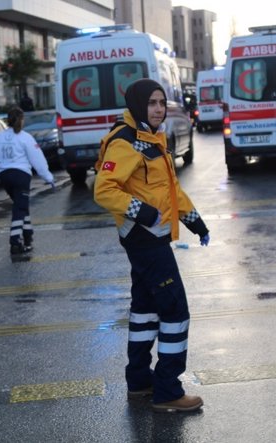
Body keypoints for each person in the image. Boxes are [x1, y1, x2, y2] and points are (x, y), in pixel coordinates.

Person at [94, 79, 210, 413]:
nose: (158, 109)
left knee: (145, 311)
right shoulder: (126, 142)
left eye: (161, 102)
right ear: (137, 105)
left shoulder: (150, 138)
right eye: (152, 103)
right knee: (175, 311)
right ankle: (168, 390)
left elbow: (170, 189)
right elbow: (104, 190)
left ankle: (140, 383)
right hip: (144, 240)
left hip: (151, 238)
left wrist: (193, 220)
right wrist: (142, 212)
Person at [0, 107, 55, 254]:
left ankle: (28, 234)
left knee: (20, 203)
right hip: (21, 175)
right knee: (20, 207)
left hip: (4, 176)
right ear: (22, 120)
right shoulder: (25, 138)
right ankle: (15, 241)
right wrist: (48, 177)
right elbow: (38, 160)